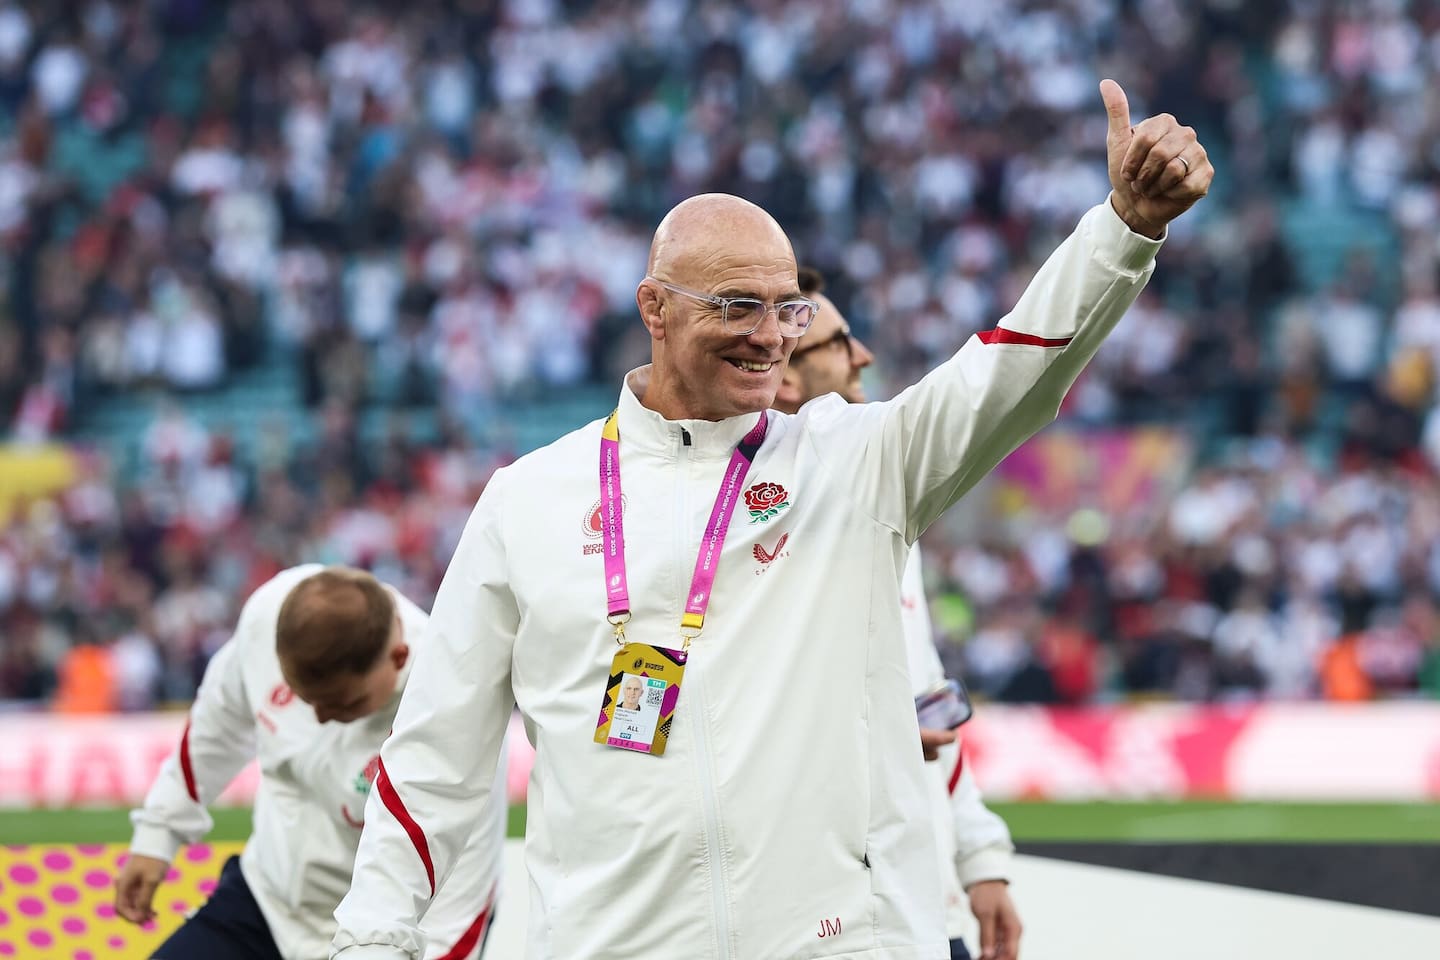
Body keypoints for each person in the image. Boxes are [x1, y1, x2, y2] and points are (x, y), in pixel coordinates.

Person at [333, 80, 1210, 960]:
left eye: (785, 307)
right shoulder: (529, 500)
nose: (771, 336)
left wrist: (1124, 232)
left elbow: (1013, 372)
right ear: (655, 309)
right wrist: (371, 939)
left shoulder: (856, 463)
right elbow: (434, 759)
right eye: (737, 306)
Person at [774, 270, 1022, 960]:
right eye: (838, 341)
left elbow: (928, 704)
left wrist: (977, 858)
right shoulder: (740, 538)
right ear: (784, 376)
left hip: (923, 908)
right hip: (827, 923)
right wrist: (867, 735)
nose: (865, 356)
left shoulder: (880, 509)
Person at [116, 565, 507, 960]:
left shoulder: (450, 706)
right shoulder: (270, 617)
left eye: (343, 704)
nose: (319, 718)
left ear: (399, 657)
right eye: (305, 699)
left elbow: (465, 897)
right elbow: (214, 731)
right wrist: (158, 836)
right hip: (265, 901)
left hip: (371, 938)